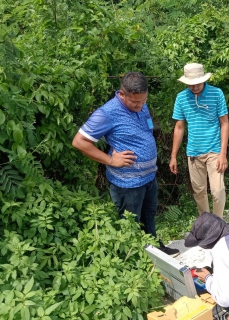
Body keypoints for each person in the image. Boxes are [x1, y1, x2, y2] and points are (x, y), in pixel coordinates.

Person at [72, 72, 179, 257]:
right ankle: (135, 259)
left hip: (148, 177)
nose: (140, 106)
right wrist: (111, 160)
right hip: (127, 184)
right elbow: (79, 142)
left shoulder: (141, 106)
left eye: (143, 101)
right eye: (135, 102)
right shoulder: (107, 113)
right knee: (130, 223)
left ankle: (156, 251)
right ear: (122, 94)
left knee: (149, 217)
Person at [169, 63, 229, 218]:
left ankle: (218, 222)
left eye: (197, 83)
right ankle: (206, 223)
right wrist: (173, 156)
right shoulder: (181, 97)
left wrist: (223, 154)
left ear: (203, 79)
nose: (194, 87)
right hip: (194, 152)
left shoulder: (217, 94)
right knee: (199, 191)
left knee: (218, 191)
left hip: (214, 150)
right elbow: (179, 127)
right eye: (190, 84)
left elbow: (224, 123)